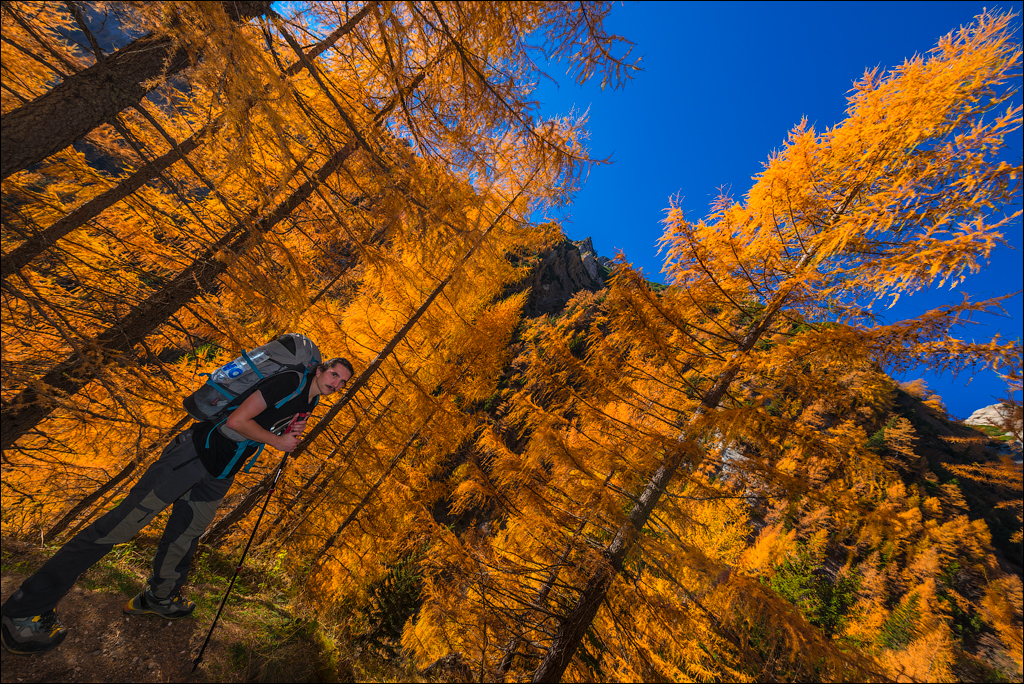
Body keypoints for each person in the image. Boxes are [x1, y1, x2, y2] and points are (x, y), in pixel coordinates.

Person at [0, 356, 354, 655]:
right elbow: (236, 421)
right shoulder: (290, 381)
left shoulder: (310, 399)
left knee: (187, 535)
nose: (336, 383)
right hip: (191, 458)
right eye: (334, 374)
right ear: (320, 370)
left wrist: (287, 433)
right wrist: (277, 442)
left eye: (343, 382)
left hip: (220, 472)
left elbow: (267, 428)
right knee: (120, 527)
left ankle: (159, 597)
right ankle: (23, 608)